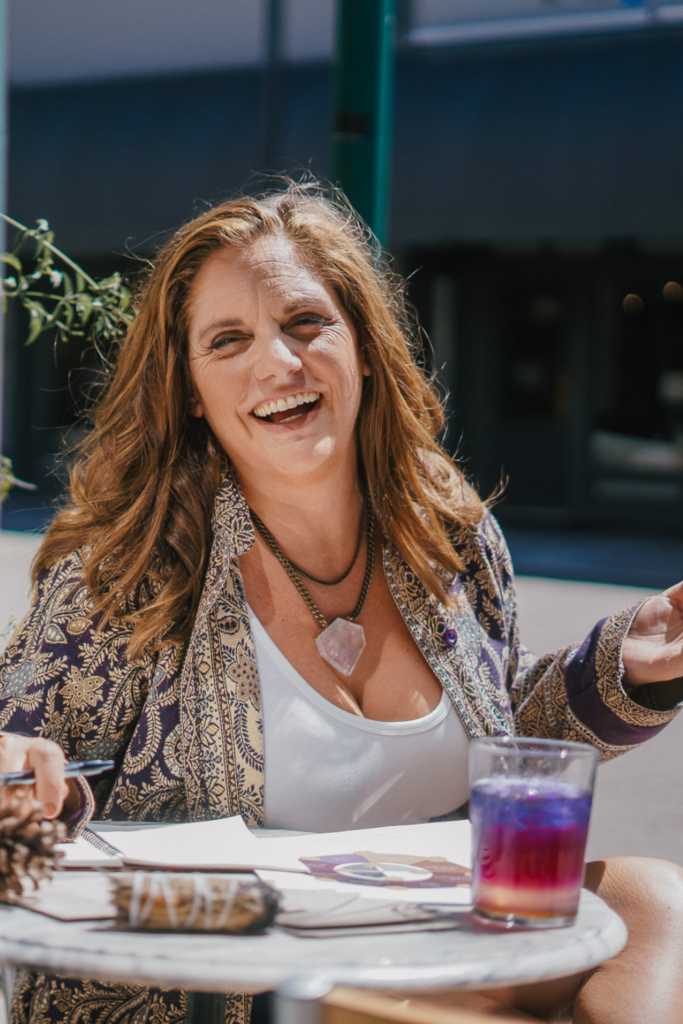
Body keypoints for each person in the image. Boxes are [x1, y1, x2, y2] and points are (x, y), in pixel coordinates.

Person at [0, 181, 682, 1024]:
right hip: (221, 988)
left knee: (656, 901)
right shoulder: (128, 575)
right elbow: (29, 772)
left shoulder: (453, 538)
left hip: (421, 947)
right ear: (189, 390)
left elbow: (498, 748)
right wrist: (23, 779)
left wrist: (626, 663)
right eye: (227, 341)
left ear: (361, 343)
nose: (276, 364)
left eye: (304, 323)